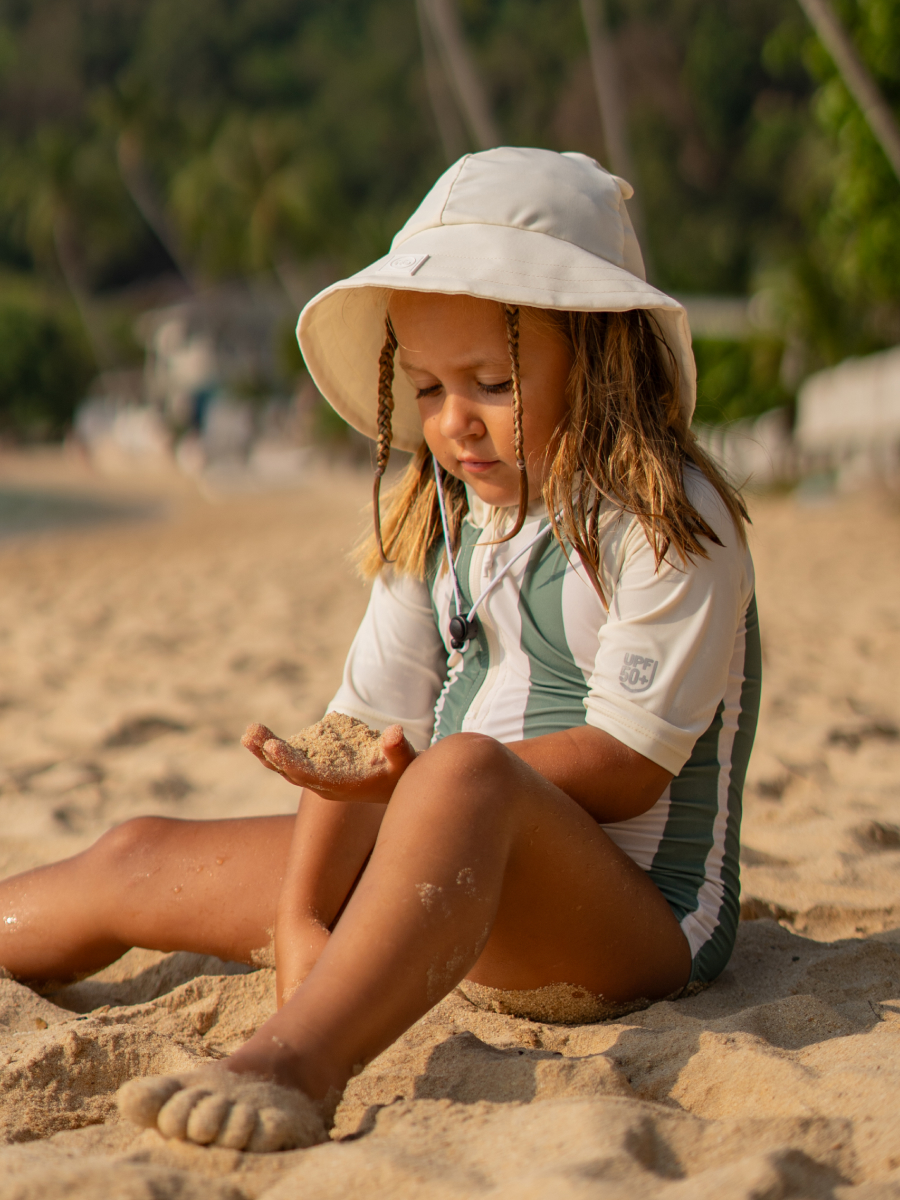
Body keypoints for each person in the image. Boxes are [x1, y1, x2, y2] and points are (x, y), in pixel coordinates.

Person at [0, 148, 760, 1153]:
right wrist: (306, 916)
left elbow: (627, 767)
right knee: (138, 853)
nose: (454, 424)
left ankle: (294, 1063)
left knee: (462, 775)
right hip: (434, 874)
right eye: (431, 388)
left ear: (601, 352)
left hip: (622, 926)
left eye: (491, 382)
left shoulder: (667, 517)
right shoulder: (438, 512)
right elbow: (362, 729)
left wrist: (413, 791)